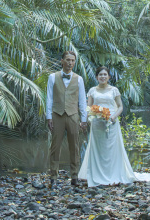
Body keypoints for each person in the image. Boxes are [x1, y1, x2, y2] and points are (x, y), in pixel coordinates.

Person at [78, 66, 137, 187]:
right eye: (100, 75)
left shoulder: (114, 90)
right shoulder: (92, 90)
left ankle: (114, 174)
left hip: (112, 122)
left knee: (111, 149)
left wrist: (114, 116)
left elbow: (120, 106)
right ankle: (96, 174)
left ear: (109, 77)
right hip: (97, 123)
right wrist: (91, 117)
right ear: (96, 77)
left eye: (105, 74)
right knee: (98, 149)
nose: (103, 77)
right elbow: (88, 108)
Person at [46, 50, 88, 188]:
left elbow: (82, 100)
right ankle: (53, 177)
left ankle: (74, 176)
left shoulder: (79, 79)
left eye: (73, 60)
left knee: (74, 147)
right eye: (68, 60)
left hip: (73, 115)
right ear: (62, 61)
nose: (70, 63)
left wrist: (83, 119)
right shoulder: (53, 77)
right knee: (55, 147)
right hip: (57, 115)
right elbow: (49, 98)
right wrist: (48, 117)